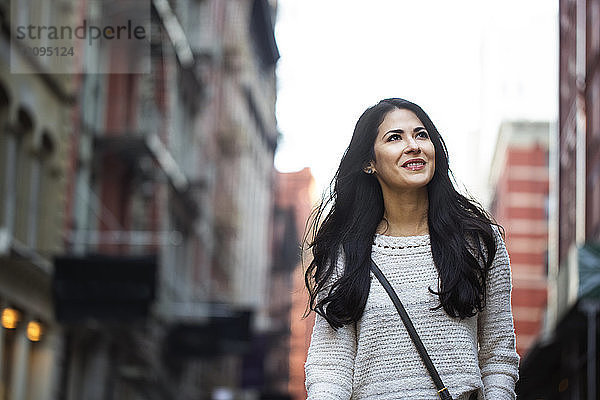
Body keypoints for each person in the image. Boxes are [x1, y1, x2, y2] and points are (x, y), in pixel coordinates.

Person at [303, 98, 519, 400]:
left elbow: (498, 356)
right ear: (369, 163)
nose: (413, 145)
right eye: (395, 137)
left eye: (421, 135)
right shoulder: (346, 252)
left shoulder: (479, 241)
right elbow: (329, 368)